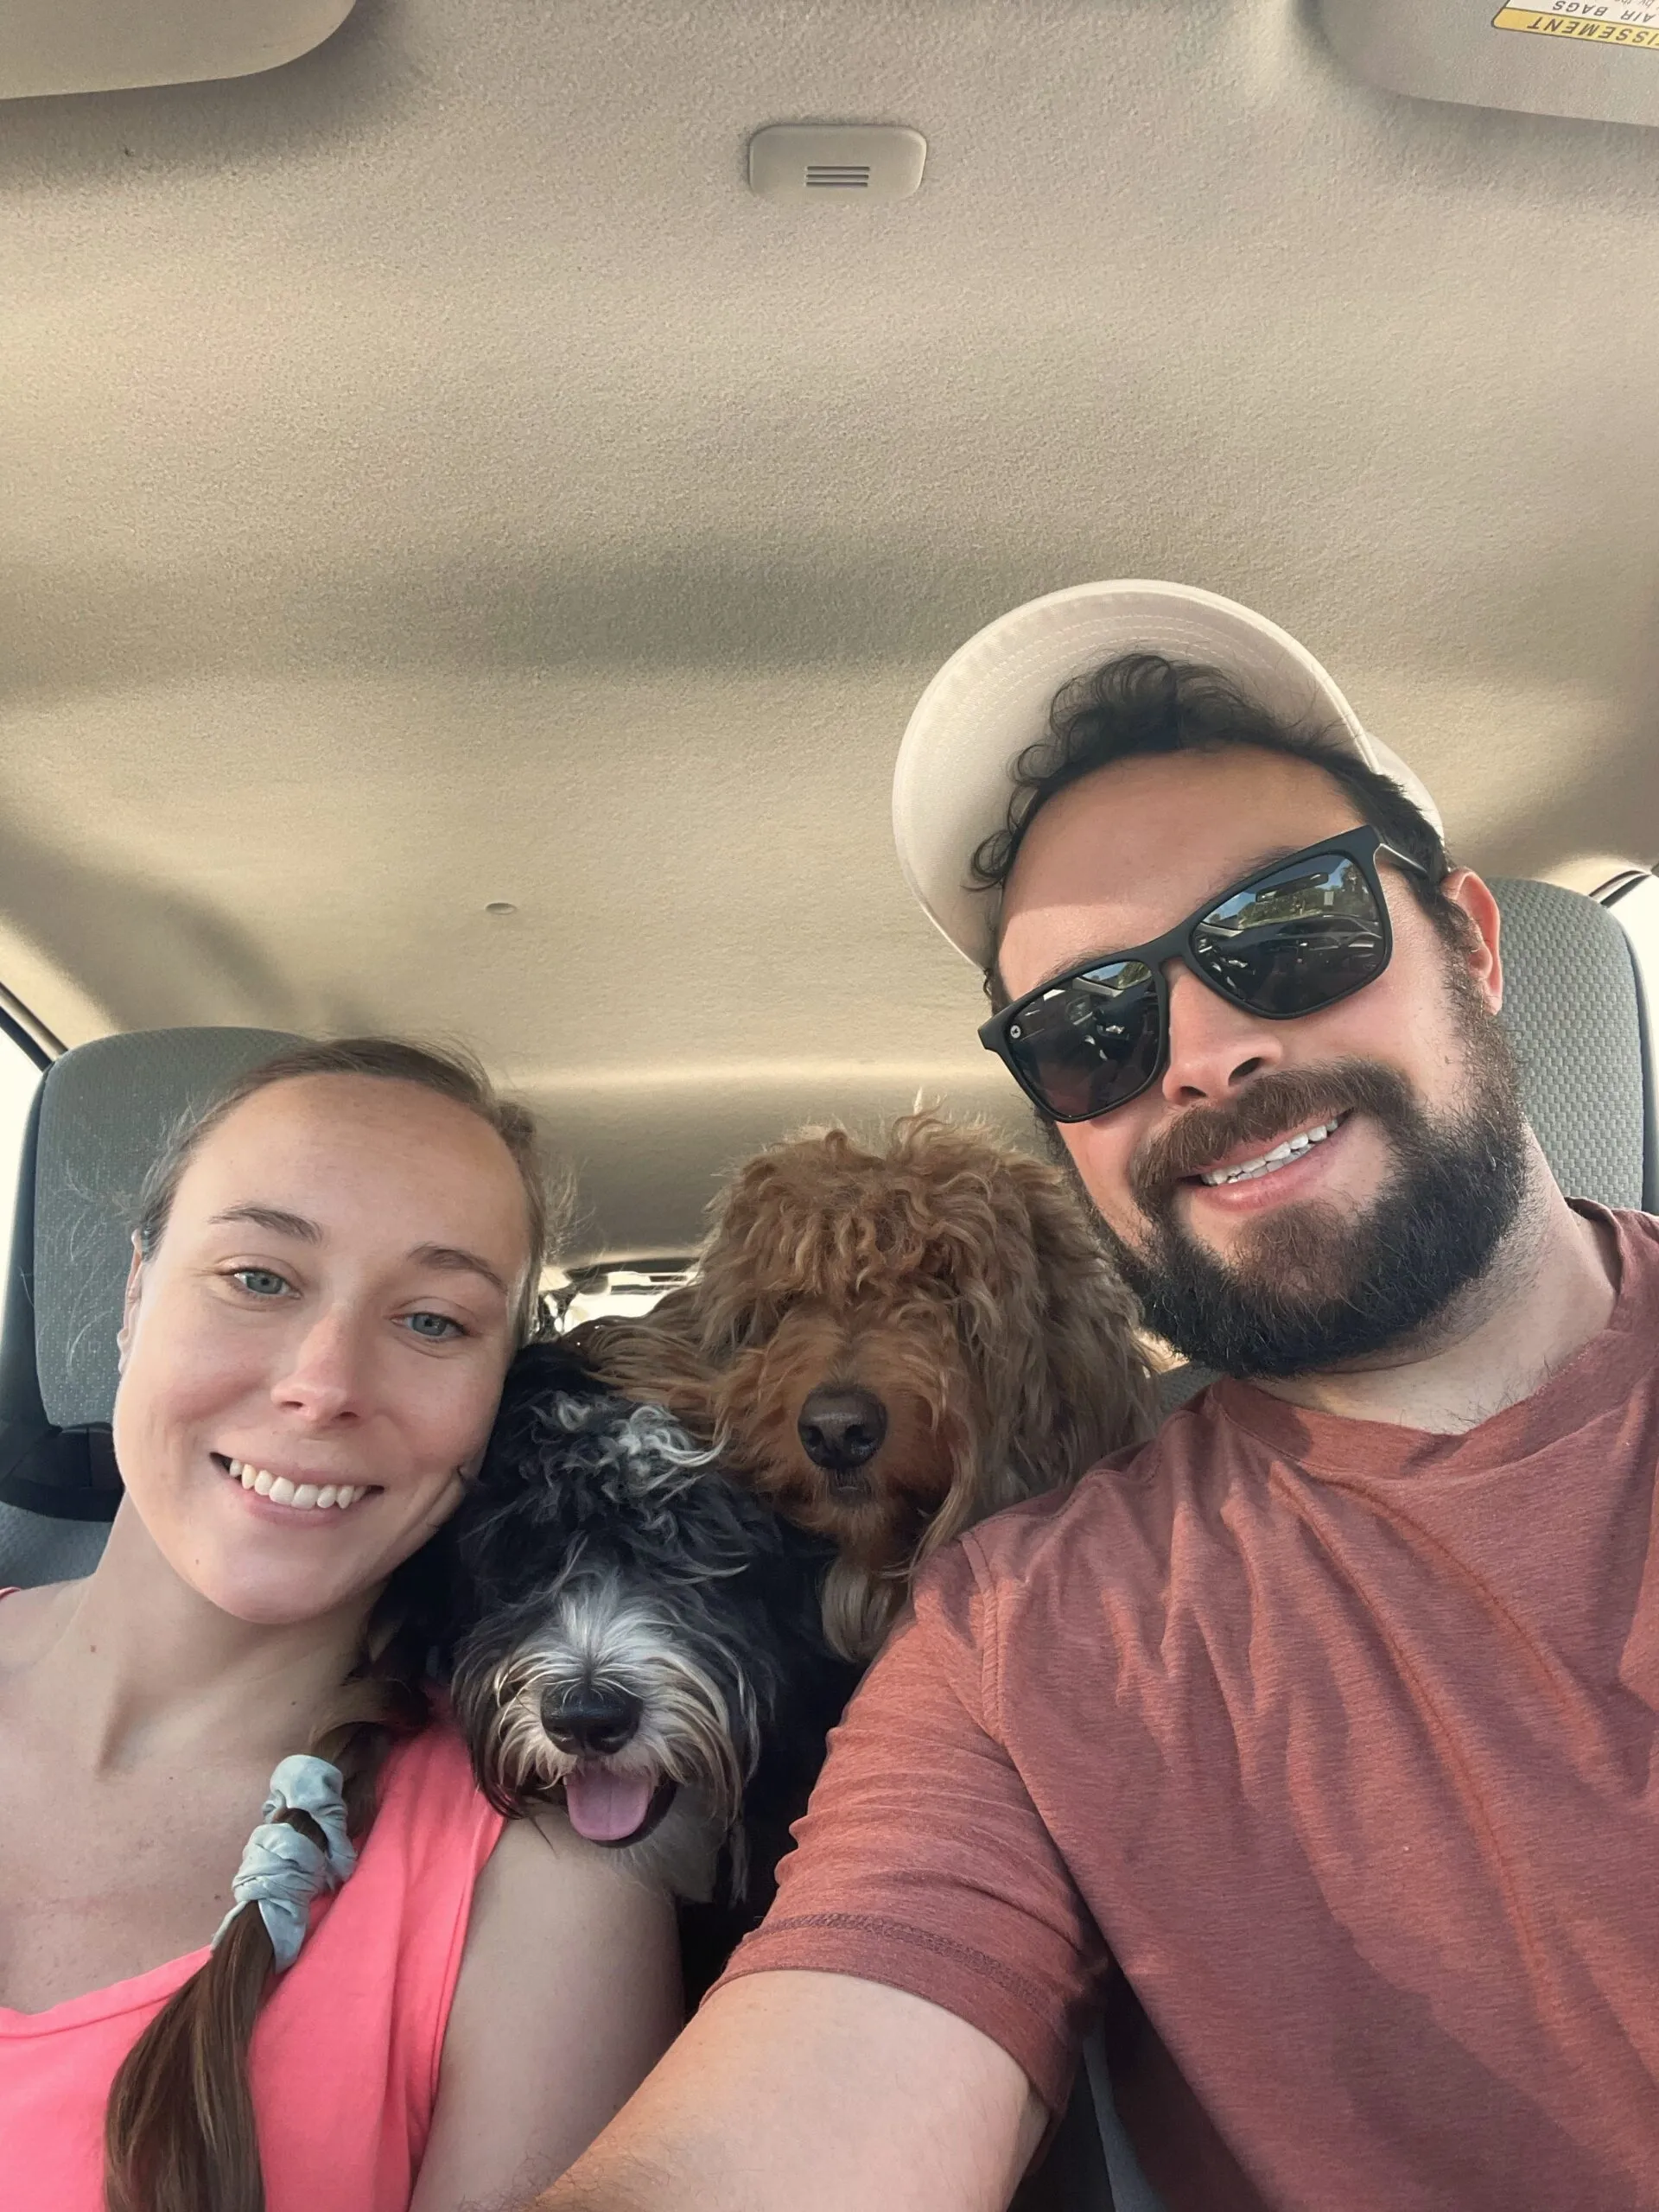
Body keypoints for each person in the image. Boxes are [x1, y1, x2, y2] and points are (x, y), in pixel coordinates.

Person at [526, 582, 1659, 2212]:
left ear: (1474, 945)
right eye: (1089, 1031)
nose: (1198, 1050)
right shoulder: (1027, 1634)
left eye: (1287, 933)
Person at [0, 1038, 680, 2212]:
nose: (323, 1381)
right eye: (259, 1278)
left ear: (495, 1402)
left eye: (432, 1322)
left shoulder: (549, 1888)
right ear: (132, 1296)